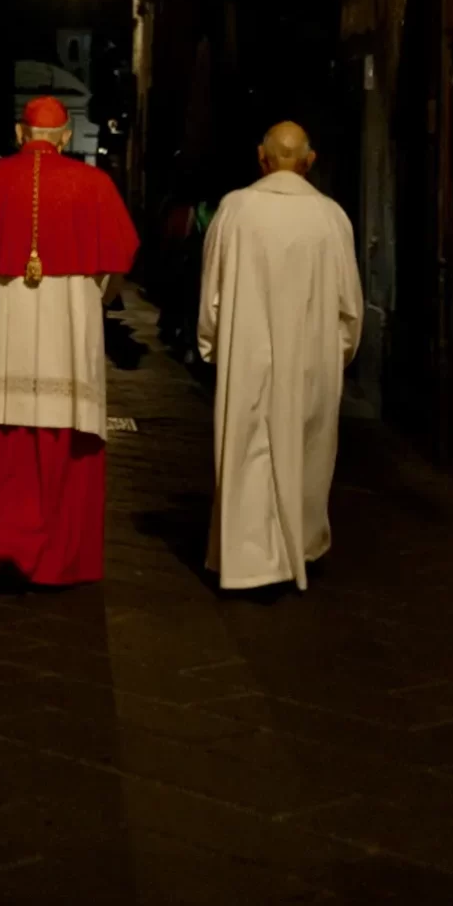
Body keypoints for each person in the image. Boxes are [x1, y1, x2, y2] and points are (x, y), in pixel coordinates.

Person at [0, 95, 138, 585]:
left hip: (6, 325)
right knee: (64, 428)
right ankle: (57, 555)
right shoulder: (95, 185)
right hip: (69, 331)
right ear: (66, 136)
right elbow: (115, 269)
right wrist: (93, 294)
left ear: (20, 134)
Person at [197, 121, 362, 592]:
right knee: (305, 450)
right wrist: (336, 355)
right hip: (312, 357)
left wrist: (212, 345)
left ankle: (249, 557)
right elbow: (349, 307)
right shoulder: (332, 218)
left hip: (246, 352)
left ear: (261, 157)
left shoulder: (235, 211)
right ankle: (299, 547)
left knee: (248, 449)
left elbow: (212, 293)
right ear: (309, 162)